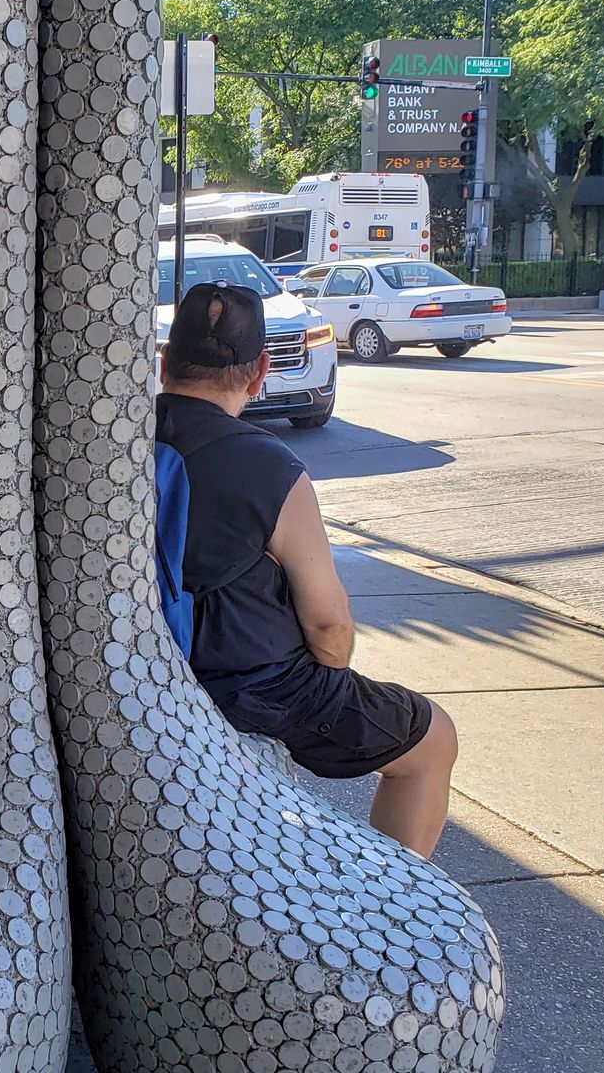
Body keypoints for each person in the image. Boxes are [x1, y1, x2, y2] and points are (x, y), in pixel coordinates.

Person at [157, 283, 457, 858]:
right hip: (252, 687)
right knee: (433, 739)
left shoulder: (113, 442)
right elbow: (327, 623)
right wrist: (330, 678)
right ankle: (396, 908)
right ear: (261, 371)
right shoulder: (268, 465)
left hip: (142, 670)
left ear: (165, 361)